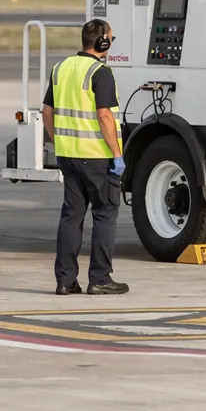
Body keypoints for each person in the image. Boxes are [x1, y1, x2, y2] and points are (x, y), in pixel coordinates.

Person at [43, 18, 129, 295]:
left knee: (71, 216)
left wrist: (60, 142)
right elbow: (104, 115)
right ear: (102, 43)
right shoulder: (99, 73)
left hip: (68, 155)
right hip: (96, 157)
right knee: (105, 215)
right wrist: (117, 154)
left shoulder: (61, 68)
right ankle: (100, 278)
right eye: (111, 40)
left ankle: (66, 281)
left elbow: (47, 111)